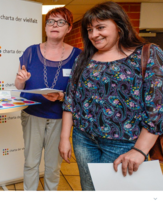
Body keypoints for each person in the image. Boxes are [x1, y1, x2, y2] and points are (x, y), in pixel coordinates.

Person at [60, 1, 163, 190]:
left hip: (125, 144)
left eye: (100, 27)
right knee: (90, 190)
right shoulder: (84, 58)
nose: (93, 34)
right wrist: (64, 138)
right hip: (83, 139)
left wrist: (140, 149)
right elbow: (70, 99)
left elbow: (156, 107)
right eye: (90, 29)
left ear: (119, 25)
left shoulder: (147, 53)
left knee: (117, 200)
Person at [15, 7, 81, 191]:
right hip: (32, 114)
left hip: (60, 118)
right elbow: (19, 85)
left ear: (69, 28)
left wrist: (61, 96)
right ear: (45, 28)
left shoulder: (78, 55)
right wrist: (20, 80)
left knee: (53, 166)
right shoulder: (30, 51)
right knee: (31, 163)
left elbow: (81, 93)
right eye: (51, 21)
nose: (54, 25)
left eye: (61, 22)